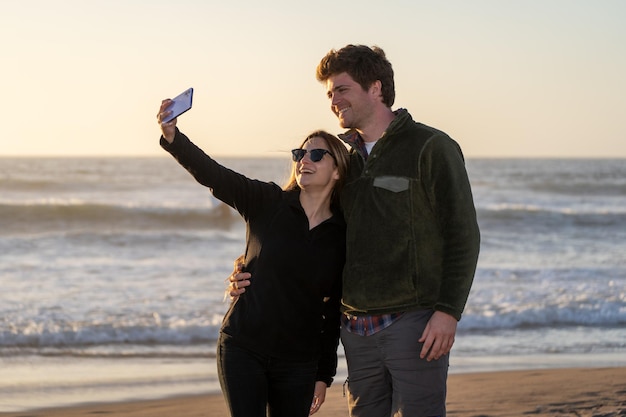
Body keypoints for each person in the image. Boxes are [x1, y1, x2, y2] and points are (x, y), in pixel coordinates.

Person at [229, 44, 481, 417]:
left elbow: (463, 234)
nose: (333, 100)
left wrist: (448, 312)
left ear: (375, 88)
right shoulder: (340, 158)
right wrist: (248, 266)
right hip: (354, 328)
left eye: (341, 89)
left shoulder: (430, 147)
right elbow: (300, 219)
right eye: (329, 93)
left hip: (413, 323)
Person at [156, 99, 350, 417]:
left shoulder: (341, 234)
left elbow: (331, 310)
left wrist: (323, 374)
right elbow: (215, 176)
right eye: (300, 154)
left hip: (298, 361)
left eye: (317, 155)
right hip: (244, 347)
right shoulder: (268, 202)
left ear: (338, 170)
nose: (305, 160)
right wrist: (173, 136)